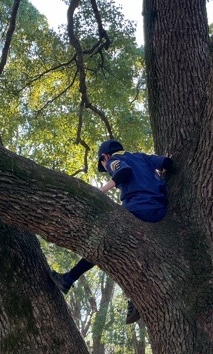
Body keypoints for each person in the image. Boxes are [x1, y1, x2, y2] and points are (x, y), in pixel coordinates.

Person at [51, 139, 173, 324]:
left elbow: (124, 171)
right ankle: (137, 298)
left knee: (103, 243)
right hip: (160, 212)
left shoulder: (113, 160)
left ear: (104, 157)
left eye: (103, 164)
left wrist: (100, 191)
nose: (105, 167)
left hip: (138, 209)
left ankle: (69, 278)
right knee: (137, 253)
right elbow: (167, 163)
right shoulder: (142, 157)